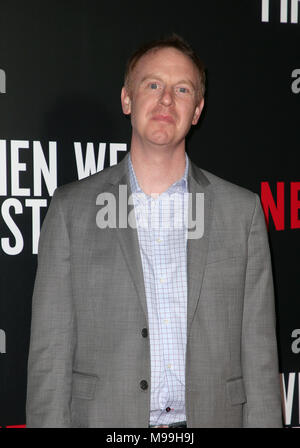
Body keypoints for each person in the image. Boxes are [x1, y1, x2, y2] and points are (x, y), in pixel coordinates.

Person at [26, 34, 282, 428]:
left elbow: (261, 358)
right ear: (127, 99)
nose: (166, 99)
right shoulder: (70, 211)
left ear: (197, 110)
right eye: (153, 85)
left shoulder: (242, 212)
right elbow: (50, 355)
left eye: (181, 89)